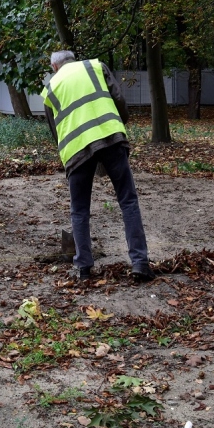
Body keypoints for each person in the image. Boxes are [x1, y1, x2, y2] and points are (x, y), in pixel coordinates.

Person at [42, 50, 152, 283]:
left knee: (79, 211)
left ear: (54, 67)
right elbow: (119, 101)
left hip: (76, 150)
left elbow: (55, 132)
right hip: (110, 137)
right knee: (128, 200)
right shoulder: (95, 67)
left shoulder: (50, 89)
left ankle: (83, 268)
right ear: (73, 59)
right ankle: (140, 263)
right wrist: (118, 126)